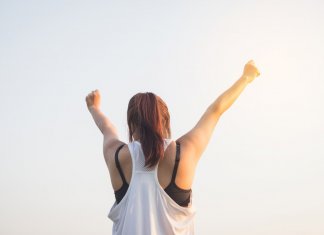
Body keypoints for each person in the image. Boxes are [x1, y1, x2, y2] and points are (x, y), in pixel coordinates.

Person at [85, 60, 261, 235]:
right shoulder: (183, 153)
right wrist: (246, 77)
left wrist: (94, 107)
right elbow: (215, 111)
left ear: (130, 123)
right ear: (165, 121)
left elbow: (107, 128)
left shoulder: (117, 157)